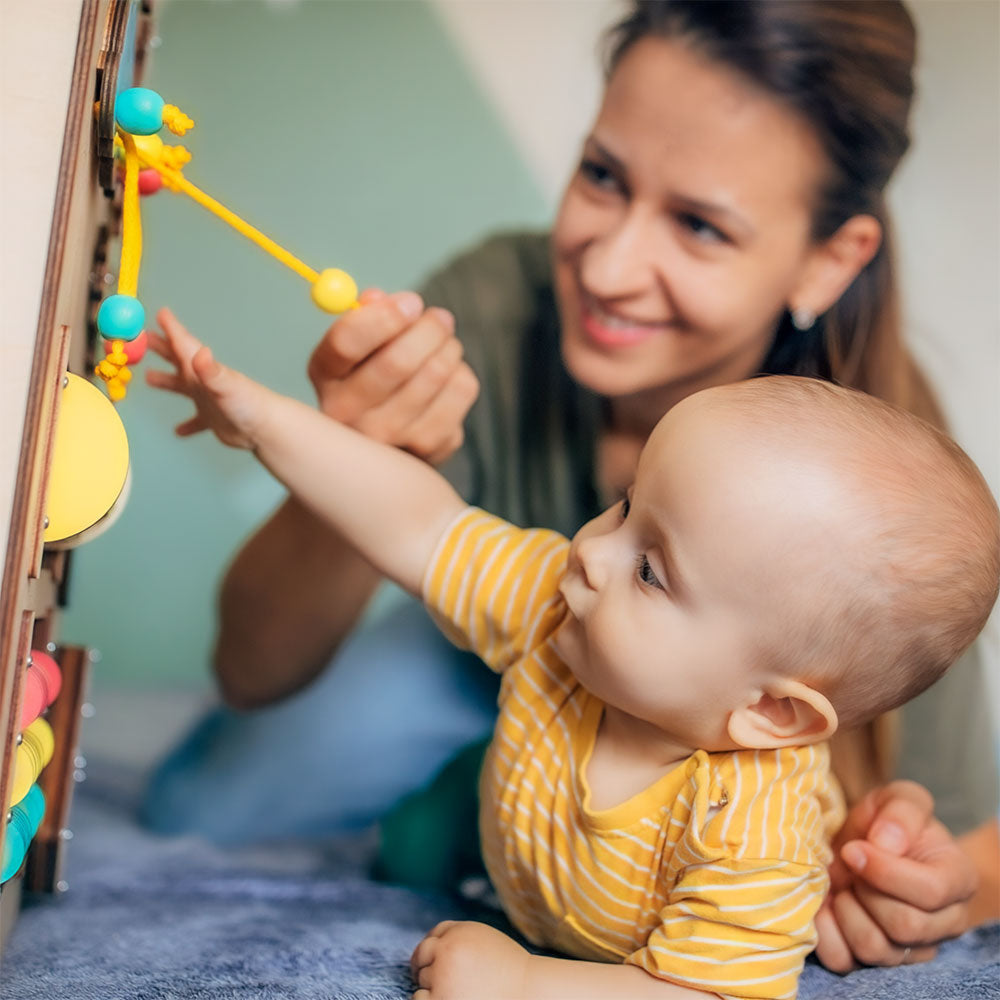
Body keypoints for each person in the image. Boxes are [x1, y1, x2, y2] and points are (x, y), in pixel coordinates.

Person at [141, 0, 1000, 972]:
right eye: (601, 174)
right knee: (199, 805)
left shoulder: (878, 495)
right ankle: (477, 805)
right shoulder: (501, 327)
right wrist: (293, 424)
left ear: (827, 261)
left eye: (700, 226)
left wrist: (909, 886)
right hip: (503, 680)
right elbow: (309, 619)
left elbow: (975, 850)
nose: (609, 263)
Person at [147, 301, 1000, 1000]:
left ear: (770, 709)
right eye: (628, 505)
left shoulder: (752, 829)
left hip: (583, 907)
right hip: (505, 823)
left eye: (654, 572)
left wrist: (524, 982)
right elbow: (420, 523)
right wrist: (263, 421)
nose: (592, 551)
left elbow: (703, 995)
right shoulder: (560, 604)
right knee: (413, 841)